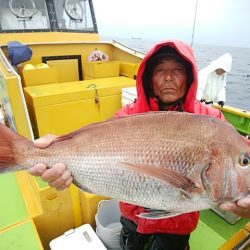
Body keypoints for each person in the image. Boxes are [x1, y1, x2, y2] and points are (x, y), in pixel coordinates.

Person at [29, 40, 250, 250]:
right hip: (132, 219)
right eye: (160, 70)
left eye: (178, 70)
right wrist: (58, 148)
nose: (169, 77)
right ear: (148, 77)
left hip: (178, 227)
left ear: (190, 76)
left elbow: (242, 148)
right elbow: (93, 148)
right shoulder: (127, 116)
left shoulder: (212, 122)